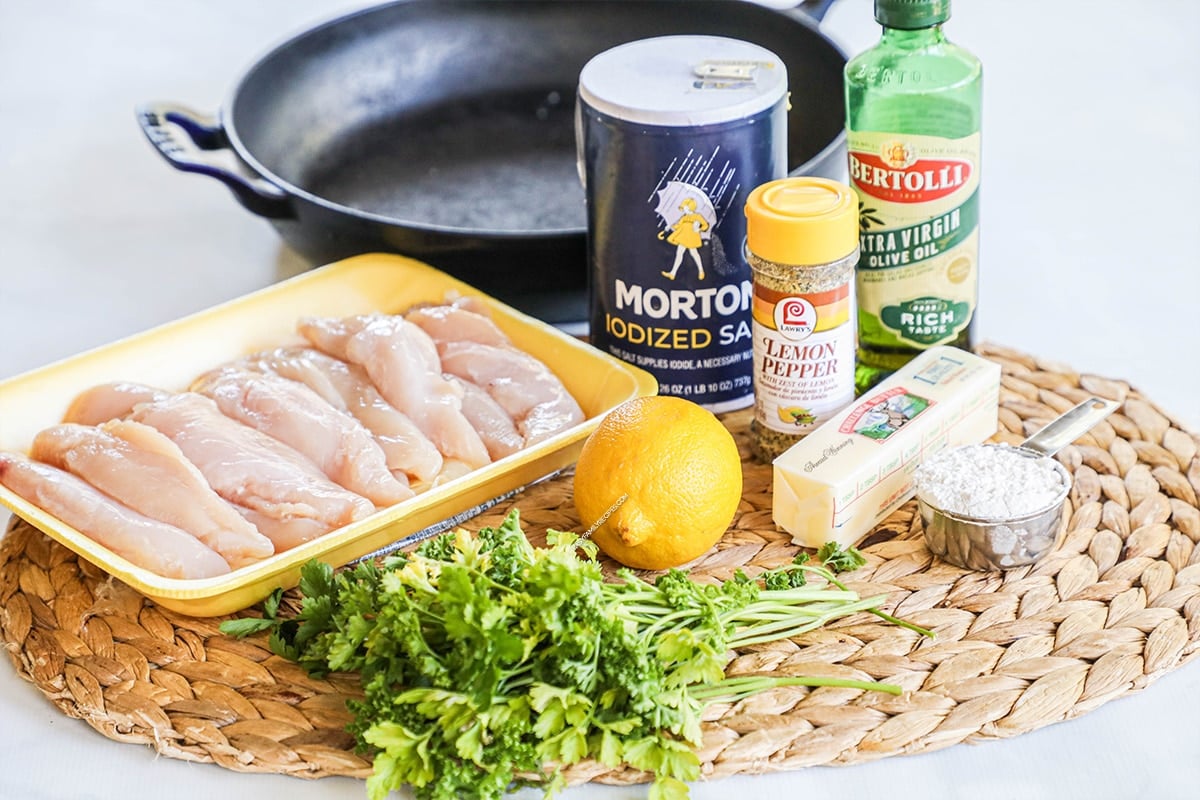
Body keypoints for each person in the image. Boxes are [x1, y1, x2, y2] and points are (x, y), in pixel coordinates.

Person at [660, 197, 709, 280]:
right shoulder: (684, 217)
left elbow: (705, 225)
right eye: (683, 208)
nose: (683, 209)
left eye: (685, 207)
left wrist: (699, 229)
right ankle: (673, 273)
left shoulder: (697, 216)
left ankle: (701, 271)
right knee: (679, 254)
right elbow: (678, 227)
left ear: (690, 207)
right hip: (683, 238)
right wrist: (670, 226)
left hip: (692, 238)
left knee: (694, 253)